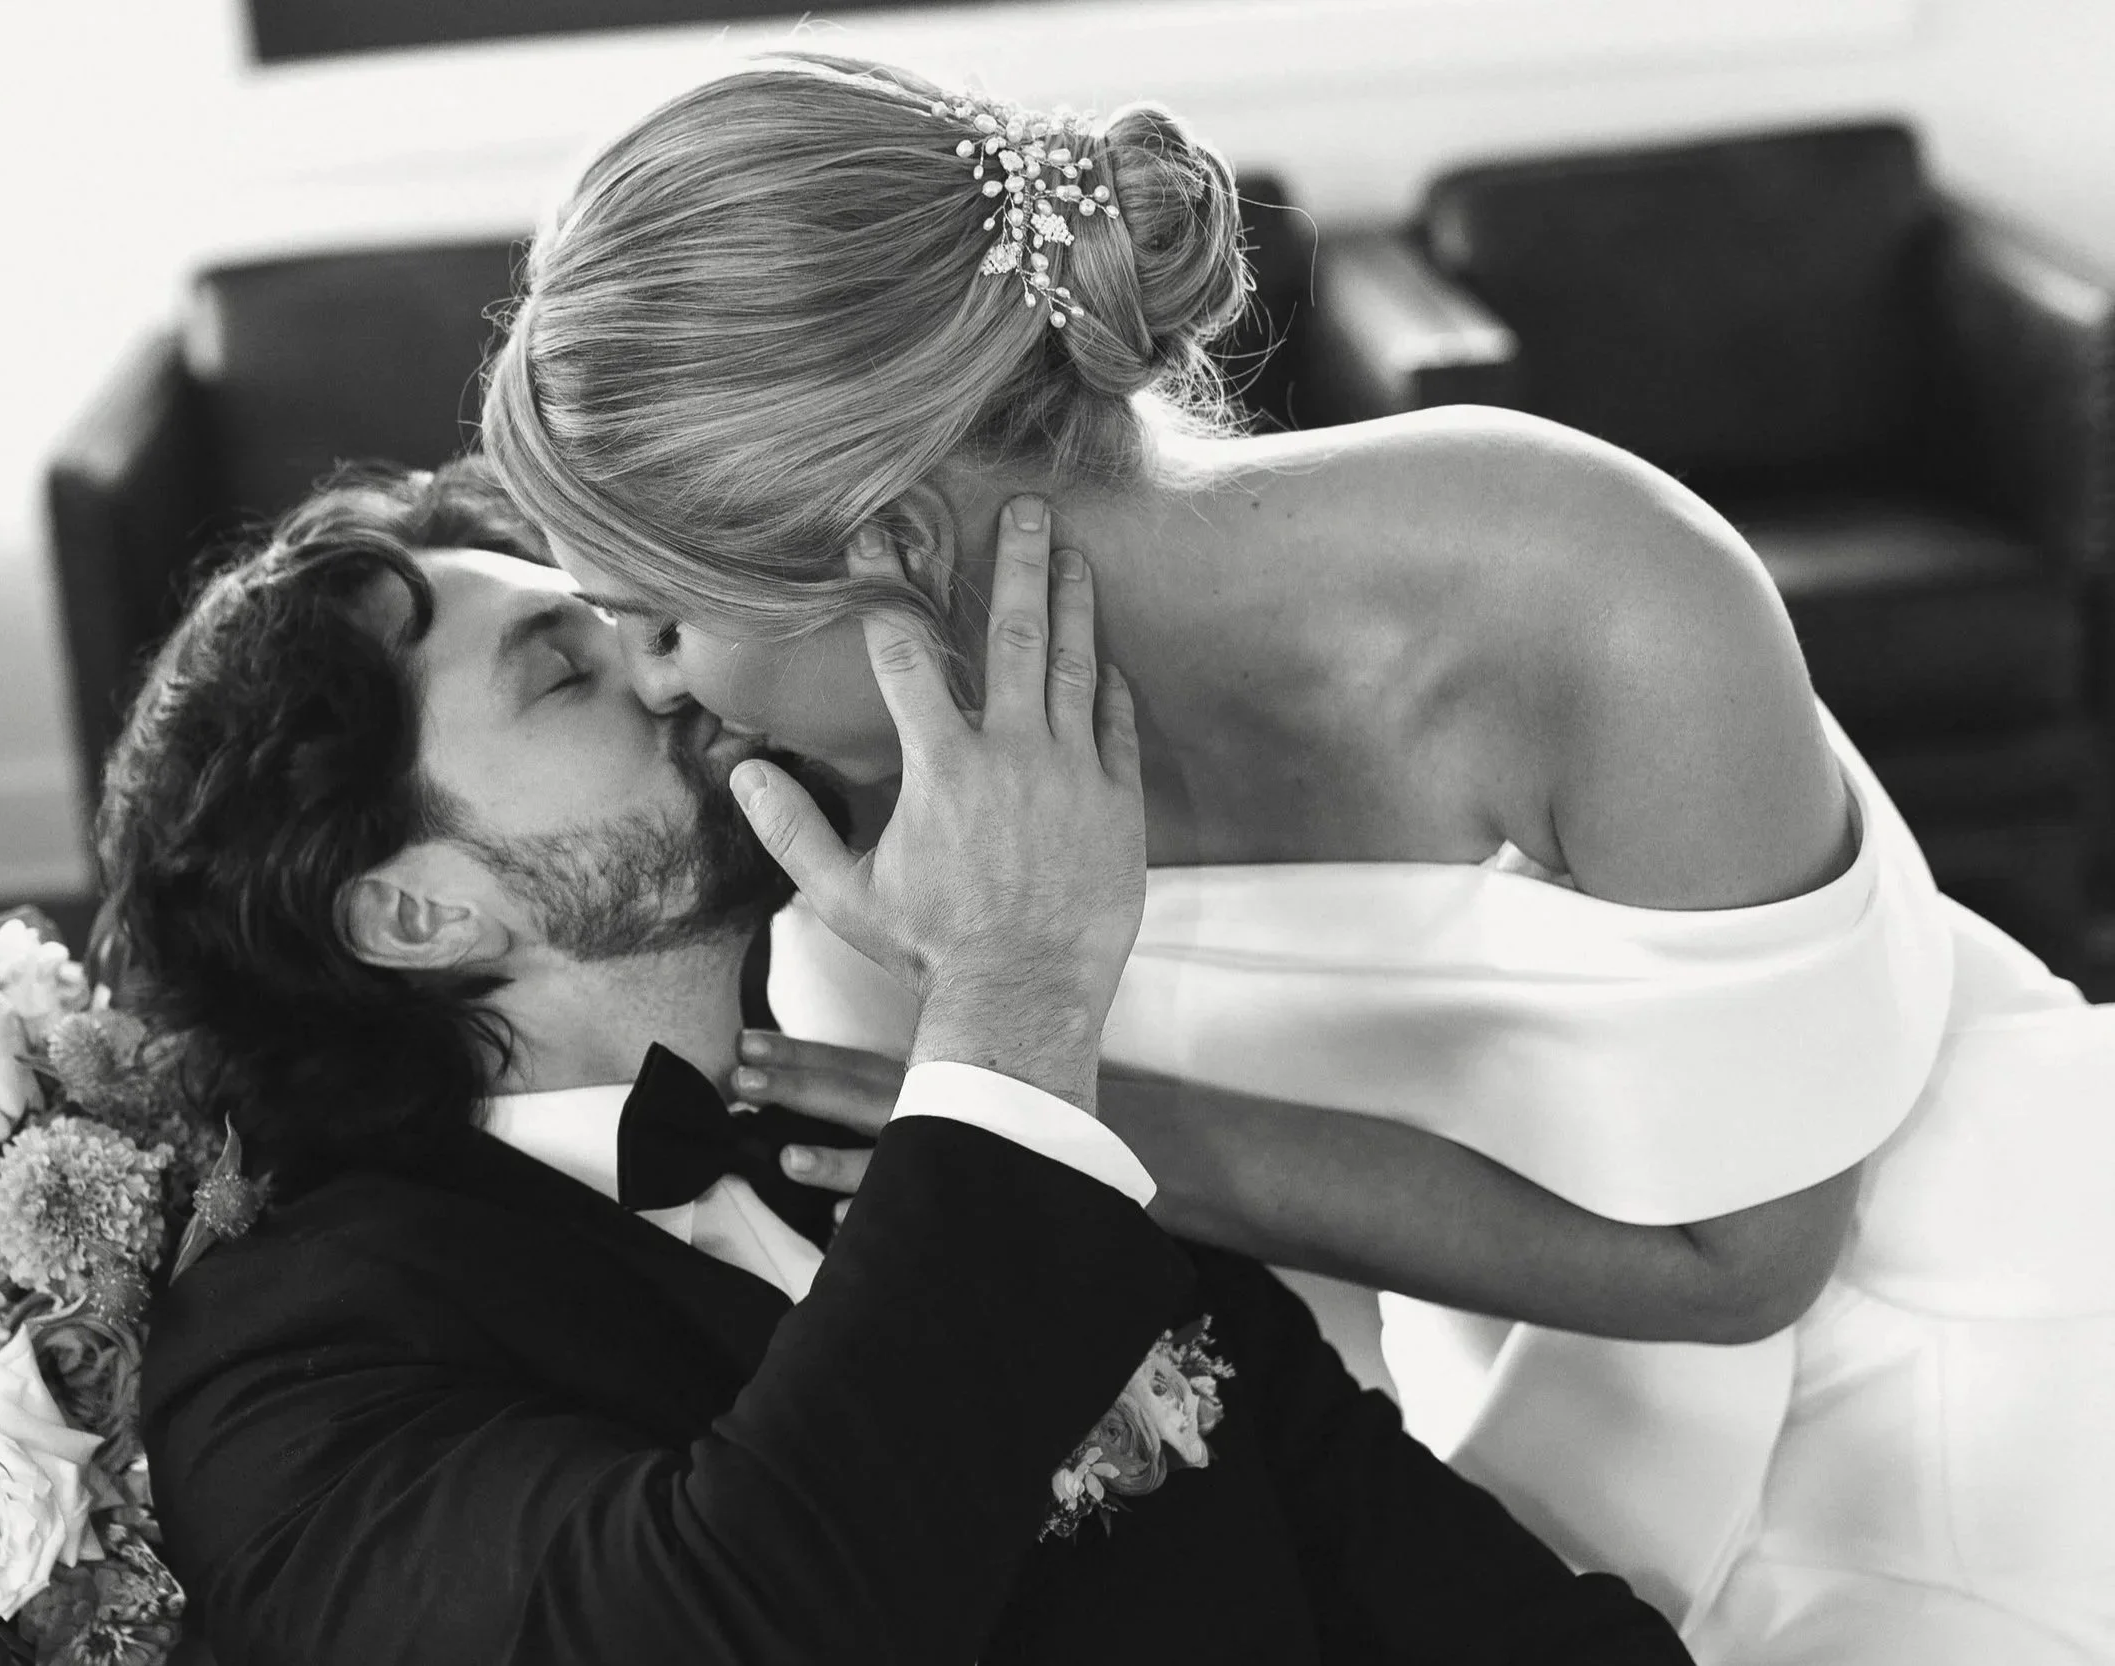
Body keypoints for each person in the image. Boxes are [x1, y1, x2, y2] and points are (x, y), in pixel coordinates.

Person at [475, 52, 2115, 1665]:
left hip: (1968, 1370)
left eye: (660, 621)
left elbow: (1750, 1266)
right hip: (1486, 1498)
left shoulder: (1587, 591)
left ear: (892, 545)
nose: (654, 689)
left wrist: (1035, 1083)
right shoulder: (855, 838)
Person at [111, 462, 1690, 1665]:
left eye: (631, 617)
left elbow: (1414, 1562)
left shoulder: (924, 1100)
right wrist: (1015, 995)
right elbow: (727, 1625)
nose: (666, 668)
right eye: (563, 671)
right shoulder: (288, 1359)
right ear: (416, 912)